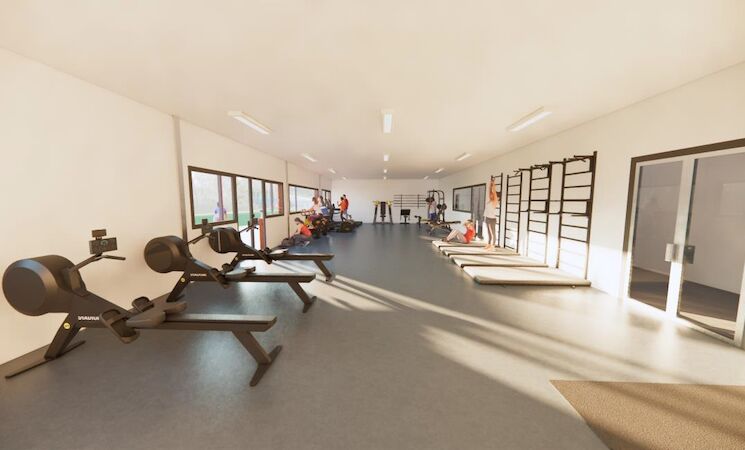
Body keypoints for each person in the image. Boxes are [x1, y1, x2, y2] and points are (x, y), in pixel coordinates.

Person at [484, 178, 501, 250]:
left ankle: (493, 246)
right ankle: (489, 244)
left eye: (494, 195)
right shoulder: (490, 201)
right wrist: (490, 184)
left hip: (492, 219)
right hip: (487, 218)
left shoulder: (495, 202)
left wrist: (493, 183)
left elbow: (493, 192)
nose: (491, 195)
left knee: (493, 233)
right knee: (489, 233)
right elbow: (490, 191)